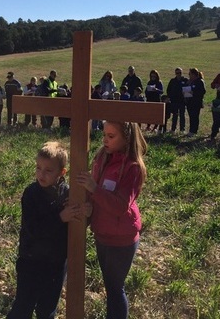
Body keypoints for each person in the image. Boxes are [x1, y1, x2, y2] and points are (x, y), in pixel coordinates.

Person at [6, 141, 85, 319]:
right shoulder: (31, 194)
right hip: (31, 260)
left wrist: (84, 210)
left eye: (48, 170)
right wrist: (60, 217)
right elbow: (34, 229)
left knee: (47, 309)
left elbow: (78, 220)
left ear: (61, 173)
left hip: (55, 263)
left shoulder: (67, 194)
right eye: (38, 168)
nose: (41, 174)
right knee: (22, 306)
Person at [77, 121, 147, 319]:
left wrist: (94, 190)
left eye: (111, 136)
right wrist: (89, 207)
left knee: (115, 289)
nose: (105, 140)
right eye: (104, 134)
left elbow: (119, 205)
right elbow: (95, 190)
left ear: (126, 138)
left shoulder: (133, 168)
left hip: (121, 239)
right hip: (102, 233)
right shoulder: (101, 157)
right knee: (109, 285)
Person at [184, 68, 206, 137]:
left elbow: (203, 91)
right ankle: (191, 130)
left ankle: (194, 131)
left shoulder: (200, 81)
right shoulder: (190, 81)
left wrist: (194, 92)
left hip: (196, 102)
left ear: (194, 74)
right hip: (189, 102)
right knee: (191, 116)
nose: (189, 75)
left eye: (190, 74)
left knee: (195, 117)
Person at [166, 67, 188, 133]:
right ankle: (173, 129)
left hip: (182, 101)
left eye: (180, 73)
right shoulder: (172, 81)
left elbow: (188, 90)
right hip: (174, 101)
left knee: (182, 115)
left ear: (182, 73)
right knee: (175, 115)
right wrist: (170, 97)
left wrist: (186, 98)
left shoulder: (185, 80)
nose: (178, 74)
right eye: (177, 73)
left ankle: (182, 129)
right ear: (175, 73)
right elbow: (168, 90)